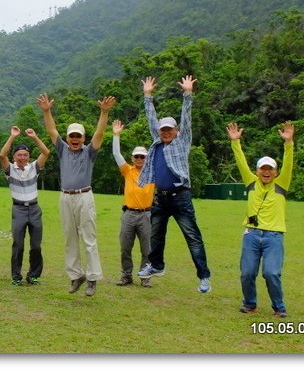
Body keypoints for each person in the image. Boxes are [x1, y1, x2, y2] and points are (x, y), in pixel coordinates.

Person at [137, 76, 212, 293]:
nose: (166, 132)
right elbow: (151, 118)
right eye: (163, 129)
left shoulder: (182, 141)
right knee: (156, 235)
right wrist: (147, 96)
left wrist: (188, 94)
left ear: (176, 130)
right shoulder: (156, 142)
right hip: (160, 197)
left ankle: (204, 276)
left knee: (192, 236)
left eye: (170, 129)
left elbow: (186, 119)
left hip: (181, 197)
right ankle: (156, 265)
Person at [38, 93, 115, 297]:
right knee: (69, 238)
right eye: (71, 136)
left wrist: (104, 113)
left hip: (84, 197)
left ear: (83, 138)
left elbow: (99, 133)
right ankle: (75, 276)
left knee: (88, 239)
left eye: (78, 136)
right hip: (65, 197)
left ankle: (92, 278)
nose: (74, 139)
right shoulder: (62, 150)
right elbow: (52, 130)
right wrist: (47, 111)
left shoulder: (89, 152)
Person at [226, 121, 295, 318]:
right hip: (251, 235)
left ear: (275, 171)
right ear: (257, 171)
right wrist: (235, 142)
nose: (266, 172)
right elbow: (240, 161)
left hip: (274, 236)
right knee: (247, 273)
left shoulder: (282, 184)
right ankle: (249, 304)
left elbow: (288, 163)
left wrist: (288, 143)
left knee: (271, 273)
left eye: (270, 169)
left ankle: (279, 307)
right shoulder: (251, 183)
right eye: (262, 169)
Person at [0, 126, 50, 286]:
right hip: (18, 209)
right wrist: (12, 136)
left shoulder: (34, 167)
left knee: (36, 245)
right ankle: (16, 276)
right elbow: (2, 155)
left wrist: (34, 137)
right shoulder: (10, 170)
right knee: (18, 244)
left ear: (29, 156)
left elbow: (46, 153)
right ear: (14, 156)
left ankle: (33, 275)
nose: (22, 157)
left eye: (25, 155)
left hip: (34, 209)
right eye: (19, 155)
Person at [111, 120, 155, 287]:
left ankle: (145, 277)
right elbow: (116, 154)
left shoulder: (153, 172)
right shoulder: (128, 171)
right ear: (132, 158)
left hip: (146, 214)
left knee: (147, 249)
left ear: (147, 158)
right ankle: (126, 275)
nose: (139, 159)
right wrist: (116, 136)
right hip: (129, 213)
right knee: (125, 247)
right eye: (136, 156)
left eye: (142, 156)